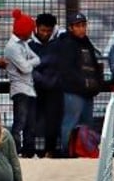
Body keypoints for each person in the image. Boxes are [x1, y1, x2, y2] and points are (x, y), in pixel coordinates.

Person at [50, 12, 103, 154]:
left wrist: (96, 83)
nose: (81, 29)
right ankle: (66, 150)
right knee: (70, 122)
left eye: (83, 25)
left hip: (87, 91)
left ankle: (84, 150)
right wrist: (84, 83)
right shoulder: (67, 43)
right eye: (78, 26)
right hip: (73, 91)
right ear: (71, 28)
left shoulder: (87, 42)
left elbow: (94, 64)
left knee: (87, 124)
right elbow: (67, 70)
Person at [5, 9, 40, 157]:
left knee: (30, 123)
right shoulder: (12, 47)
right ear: (24, 31)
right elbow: (26, 68)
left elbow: (37, 59)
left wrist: (28, 63)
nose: (32, 34)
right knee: (20, 122)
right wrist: (29, 63)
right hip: (19, 89)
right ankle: (16, 151)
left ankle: (28, 151)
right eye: (30, 31)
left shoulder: (23, 44)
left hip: (29, 88)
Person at [30, 13, 62, 157]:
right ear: (36, 28)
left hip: (53, 88)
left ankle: (50, 150)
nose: (45, 34)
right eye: (42, 30)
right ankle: (29, 149)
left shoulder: (59, 42)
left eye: (48, 31)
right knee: (31, 119)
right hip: (34, 87)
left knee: (52, 120)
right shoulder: (28, 43)